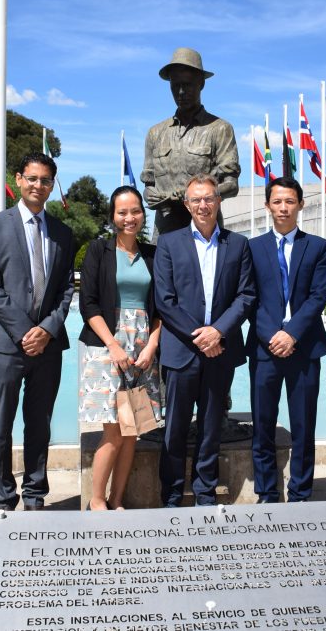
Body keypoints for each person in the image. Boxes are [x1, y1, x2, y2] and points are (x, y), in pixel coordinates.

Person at [0, 153, 76, 511]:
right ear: (18, 179)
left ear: (52, 185)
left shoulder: (62, 233)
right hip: (4, 343)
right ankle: (4, 498)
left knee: (39, 423)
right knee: (0, 425)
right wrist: (24, 331)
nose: (38, 186)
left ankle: (34, 494)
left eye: (46, 180)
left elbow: (65, 289)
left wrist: (45, 330)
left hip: (48, 346)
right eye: (32, 178)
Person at [153, 174, 256, 506]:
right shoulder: (169, 243)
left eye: (209, 198)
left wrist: (218, 331)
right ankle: (170, 495)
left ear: (218, 202)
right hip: (181, 350)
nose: (202, 205)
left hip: (220, 350)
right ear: (186, 204)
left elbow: (245, 295)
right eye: (196, 199)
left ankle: (204, 493)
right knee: (175, 429)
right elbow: (165, 301)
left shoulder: (237, 244)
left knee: (211, 427)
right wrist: (200, 336)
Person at [247, 178, 326, 503]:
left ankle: (300, 493)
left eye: (290, 201)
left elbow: (318, 295)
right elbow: (249, 297)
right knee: (263, 425)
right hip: (265, 350)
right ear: (268, 205)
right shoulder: (253, 248)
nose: (283, 207)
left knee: (303, 425)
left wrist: (291, 332)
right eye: (277, 201)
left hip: (304, 348)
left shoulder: (317, 246)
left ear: (300, 205)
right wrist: (272, 335)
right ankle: (267, 491)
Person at [78, 186, 162, 511]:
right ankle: (96, 501)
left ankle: (117, 500)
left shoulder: (153, 255)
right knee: (113, 430)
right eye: (122, 212)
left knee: (131, 431)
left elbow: (160, 309)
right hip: (106, 347)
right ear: (113, 216)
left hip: (141, 349)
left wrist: (152, 345)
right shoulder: (99, 250)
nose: (129, 217)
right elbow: (88, 304)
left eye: (135, 211)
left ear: (143, 214)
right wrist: (113, 346)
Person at [142, 47, 240, 237]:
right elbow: (148, 185)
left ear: (201, 83)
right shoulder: (155, 133)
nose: (180, 92)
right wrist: (151, 196)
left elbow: (231, 185)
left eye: (187, 85)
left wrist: (194, 197)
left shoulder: (219, 129)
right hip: (164, 233)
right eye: (175, 85)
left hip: (205, 231)